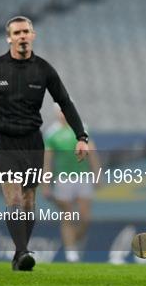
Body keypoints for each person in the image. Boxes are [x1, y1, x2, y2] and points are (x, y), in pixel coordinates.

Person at [0, 16, 89, 271]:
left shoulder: (44, 70)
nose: (21, 36)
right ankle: (22, 252)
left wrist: (81, 136)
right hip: (1, 140)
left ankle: (20, 253)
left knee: (30, 201)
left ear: (33, 35)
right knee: (15, 197)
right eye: (16, 32)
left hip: (32, 140)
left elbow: (65, 102)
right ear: (9, 37)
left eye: (25, 32)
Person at [43, 105, 102, 262]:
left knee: (85, 217)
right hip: (63, 179)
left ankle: (73, 241)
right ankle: (71, 251)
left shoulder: (82, 128)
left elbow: (92, 153)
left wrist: (97, 174)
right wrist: (46, 184)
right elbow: (48, 161)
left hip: (82, 177)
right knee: (67, 215)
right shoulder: (52, 134)